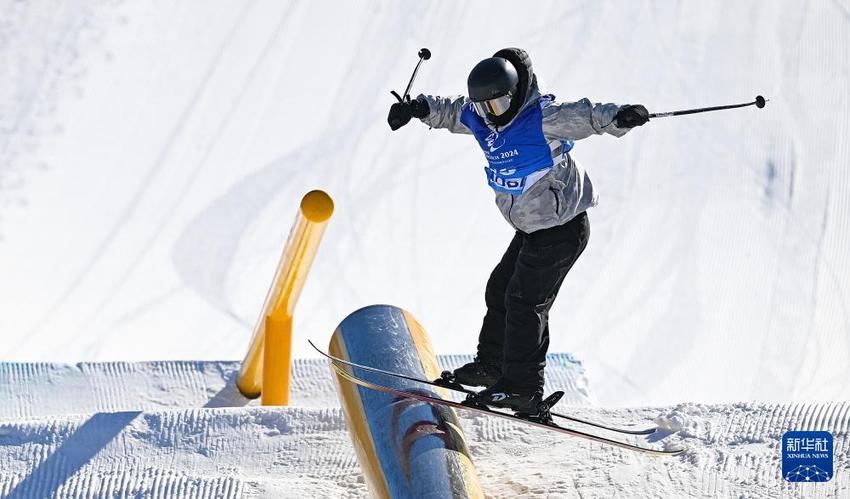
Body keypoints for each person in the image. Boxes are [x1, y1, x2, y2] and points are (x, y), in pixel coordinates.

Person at [387, 47, 648, 415]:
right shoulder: (480, 116)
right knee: (500, 288)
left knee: (526, 303)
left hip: (561, 228)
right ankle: (493, 366)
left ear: (514, 95)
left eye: (496, 106)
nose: (489, 116)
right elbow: (450, 110)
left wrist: (620, 117)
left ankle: (523, 387)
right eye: (483, 108)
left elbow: (588, 116)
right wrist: (416, 109)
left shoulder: (541, 117)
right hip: (531, 227)